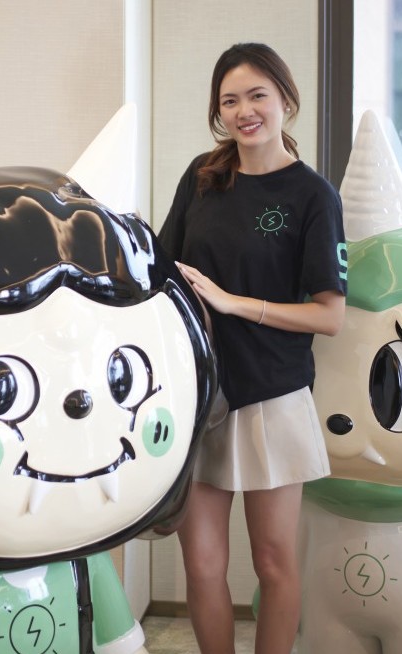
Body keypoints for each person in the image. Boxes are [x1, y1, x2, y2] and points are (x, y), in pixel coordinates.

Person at [157, 42, 347, 654]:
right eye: (230, 101)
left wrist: (235, 303)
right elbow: (162, 270)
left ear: (285, 99)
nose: (244, 112)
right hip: (199, 395)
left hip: (272, 396)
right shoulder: (202, 178)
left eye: (257, 96)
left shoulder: (313, 196)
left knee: (273, 563)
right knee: (203, 565)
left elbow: (330, 315)